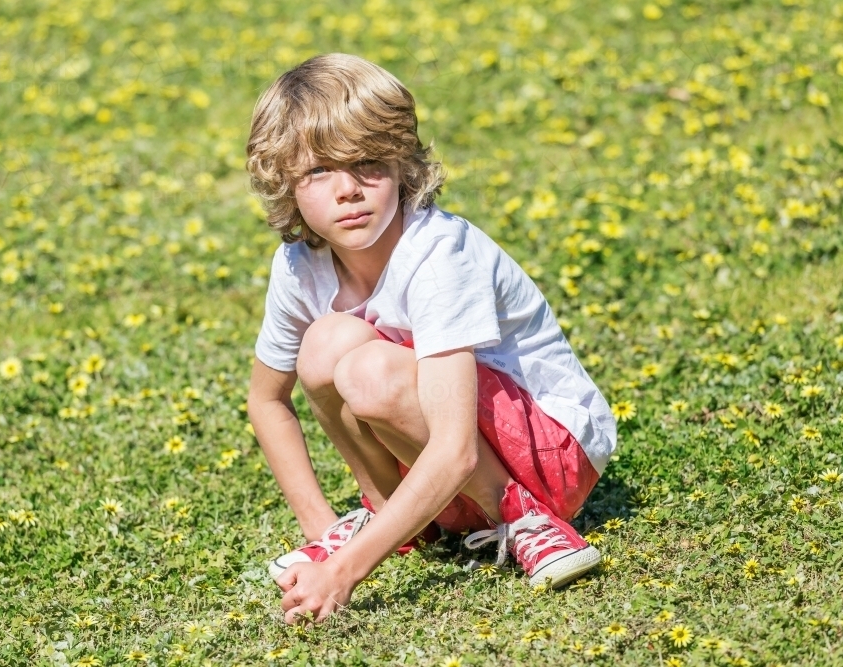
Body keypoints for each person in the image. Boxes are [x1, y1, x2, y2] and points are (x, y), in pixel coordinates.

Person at [245, 53, 616, 626]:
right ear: (285, 184)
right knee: (324, 345)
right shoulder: (299, 266)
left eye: (368, 162)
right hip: (444, 470)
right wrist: (323, 534)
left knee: (368, 372)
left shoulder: (438, 254)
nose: (347, 189)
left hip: (550, 458)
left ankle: (523, 518)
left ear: (402, 161)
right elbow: (267, 401)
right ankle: (392, 515)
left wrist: (342, 572)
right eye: (318, 171)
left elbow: (454, 448)